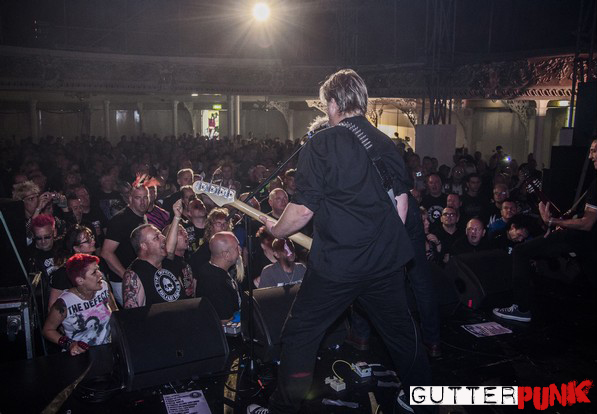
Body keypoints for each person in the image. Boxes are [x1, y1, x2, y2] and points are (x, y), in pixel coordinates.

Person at [248, 69, 430, 414]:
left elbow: (303, 210)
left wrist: (277, 230)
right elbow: (401, 205)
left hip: (338, 266)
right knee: (402, 335)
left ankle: (284, 407)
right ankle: (424, 401)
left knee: (302, 332)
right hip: (385, 263)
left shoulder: (322, 143)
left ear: (332, 103)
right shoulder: (384, 142)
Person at [493, 139, 597, 323]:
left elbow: (587, 223)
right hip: (586, 241)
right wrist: (563, 223)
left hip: (583, 239)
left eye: (594, 151)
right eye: (590, 151)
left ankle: (521, 309)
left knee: (521, 251)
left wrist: (552, 221)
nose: (590, 156)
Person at [43, 254, 117, 355]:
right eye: (94, 272)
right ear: (80, 280)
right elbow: (48, 330)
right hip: (81, 355)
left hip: (107, 349)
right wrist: (70, 344)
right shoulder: (64, 303)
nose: (100, 274)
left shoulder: (104, 286)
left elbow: (115, 312)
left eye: (98, 270)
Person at [101, 185, 149, 306]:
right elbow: (106, 253)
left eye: (145, 197)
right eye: (138, 198)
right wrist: (127, 277)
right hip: (122, 281)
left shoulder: (142, 216)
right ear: (130, 199)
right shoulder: (120, 220)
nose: (143, 202)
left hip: (140, 277)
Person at [195, 232, 242, 322]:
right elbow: (224, 321)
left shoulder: (214, 271)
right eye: (236, 247)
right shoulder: (214, 282)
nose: (240, 250)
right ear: (226, 255)